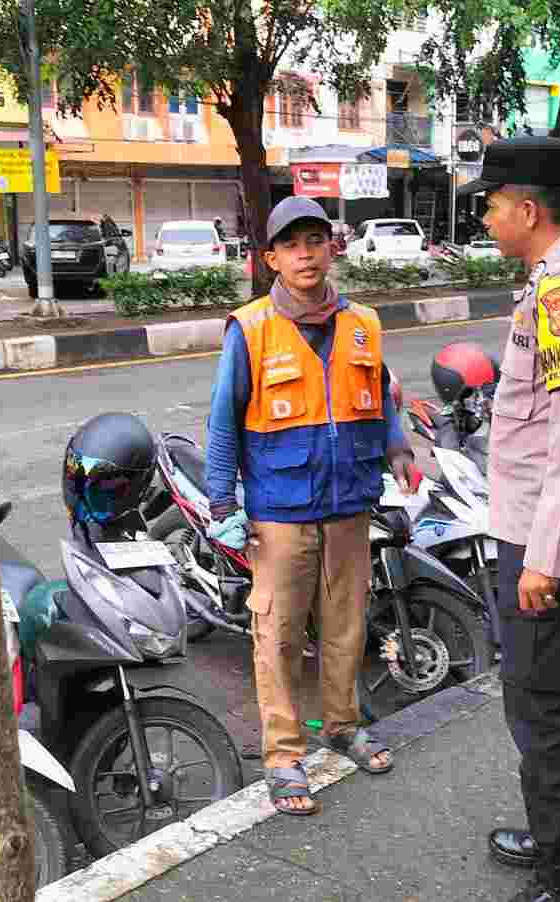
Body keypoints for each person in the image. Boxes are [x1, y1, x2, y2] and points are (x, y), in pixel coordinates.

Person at [203, 196, 420, 816]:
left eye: (315, 241)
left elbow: (379, 397)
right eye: (291, 245)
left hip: (349, 505)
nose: (306, 254)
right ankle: (283, 755)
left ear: (332, 248)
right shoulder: (250, 329)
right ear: (271, 258)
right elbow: (223, 423)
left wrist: (399, 449)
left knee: (347, 625)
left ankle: (343, 727)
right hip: (280, 512)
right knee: (278, 635)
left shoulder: (363, 323)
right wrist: (221, 502)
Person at [460, 136, 560, 902]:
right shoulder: (556, 279)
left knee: (541, 700)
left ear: (527, 210)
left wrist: (544, 559)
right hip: (549, 521)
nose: (485, 218)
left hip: (545, 533)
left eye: (491, 205)